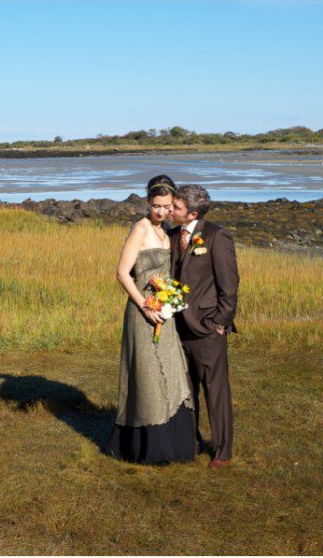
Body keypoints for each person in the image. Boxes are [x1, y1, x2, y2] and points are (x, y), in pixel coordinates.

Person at [106, 175, 196, 465]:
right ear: (147, 202)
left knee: (169, 371)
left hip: (164, 313)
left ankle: (176, 441)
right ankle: (146, 447)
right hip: (142, 312)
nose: (160, 212)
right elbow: (122, 272)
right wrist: (145, 306)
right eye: (156, 206)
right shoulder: (140, 229)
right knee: (147, 376)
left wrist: (168, 302)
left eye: (166, 206)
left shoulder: (166, 230)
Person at [168, 184, 239, 469]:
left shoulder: (217, 237)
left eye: (176, 208)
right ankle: (191, 442)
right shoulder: (172, 236)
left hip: (207, 328)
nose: (170, 211)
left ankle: (222, 450)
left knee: (215, 390)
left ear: (192, 213)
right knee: (185, 390)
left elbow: (229, 286)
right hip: (175, 326)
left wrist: (219, 323)